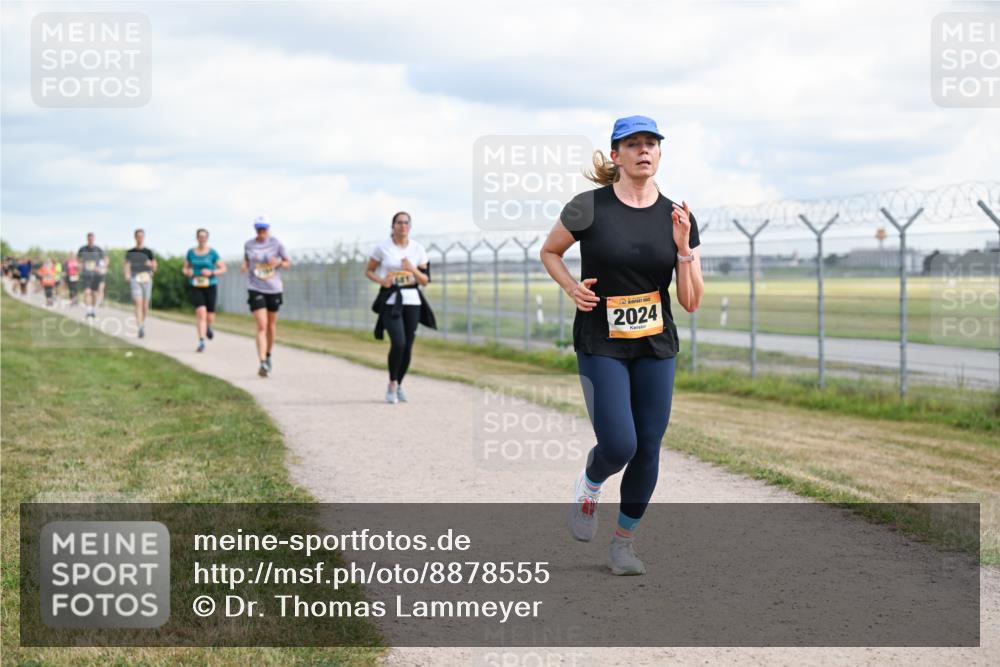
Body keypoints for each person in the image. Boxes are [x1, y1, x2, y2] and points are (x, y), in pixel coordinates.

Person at [539, 115, 704, 576]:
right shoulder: (587, 207)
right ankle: (591, 484)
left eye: (651, 143)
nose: (644, 150)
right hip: (601, 340)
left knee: (649, 445)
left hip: (656, 344)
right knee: (619, 444)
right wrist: (572, 287)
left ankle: (623, 545)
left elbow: (690, 301)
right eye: (633, 144)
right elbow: (549, 251)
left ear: (660, 153)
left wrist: (684, 247)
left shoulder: (678, 216)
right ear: (616, 155)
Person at [365, 211, 434, 403]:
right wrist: (381, 280)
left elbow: (425, 280)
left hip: (412, 300)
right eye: (399, 222)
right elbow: (369, 271)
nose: (402, 226)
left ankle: (399, 383)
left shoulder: (418, 249)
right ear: (393, 226)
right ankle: (392, 384)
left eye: (406, 223)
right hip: (391, 299)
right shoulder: (382, 248)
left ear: (410, 227)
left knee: (408, 347)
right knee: (399, 342)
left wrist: (412, 268)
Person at [240, 215, 289, 377]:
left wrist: (280, 263)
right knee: (262, 325)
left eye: (264, 228)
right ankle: (262, 362)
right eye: (258, 228)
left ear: (268, 229)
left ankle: (268, 355)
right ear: (255, 229)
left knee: (271, 326)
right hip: (255, 287)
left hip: (273, 288)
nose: (261, 231)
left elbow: (288, 262)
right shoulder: (249, 245)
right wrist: (244, 266)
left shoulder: (276, 243)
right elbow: (247, 262)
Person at [183, 228, 226, 352]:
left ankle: (208, 326)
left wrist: (211, 272)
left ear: (207, 238)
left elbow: (223, 268)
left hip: (210, 285)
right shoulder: (191, 252)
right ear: (197, 238)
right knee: (201, 312)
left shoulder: (212, 253)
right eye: (200, 236)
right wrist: (188, 272)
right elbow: (185, 269)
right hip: (195, 285)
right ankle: (201, 341)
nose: (202, 239)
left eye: (204, 237)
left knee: (210, 315)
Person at [125, 228, 158, 338]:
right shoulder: (130, 252)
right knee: (138, 302)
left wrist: (151, 266)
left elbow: (155, 265)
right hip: (135, 278)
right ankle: (139, 327)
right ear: (135, 237)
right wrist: (127, 275)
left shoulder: (148, 252)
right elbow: (126, 265)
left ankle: (143, 323)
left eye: (141, 236)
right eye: (138, 236)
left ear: (143, 237)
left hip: (146, 278)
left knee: (145, 304)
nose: (140, 238)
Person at [77, 233, 107, 318]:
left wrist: (102, 267)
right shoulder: (82, 249)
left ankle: (93, 310)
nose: (90, 240)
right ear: (87, 239)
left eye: (92, 239)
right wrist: (80, 266)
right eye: (89, 239)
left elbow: (105, 260)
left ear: (94, 239)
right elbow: (78, 260)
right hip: (86, 274)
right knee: (87, 292)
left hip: (96, 275)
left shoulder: (98, 249)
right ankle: (88, 310)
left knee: (94, 293)